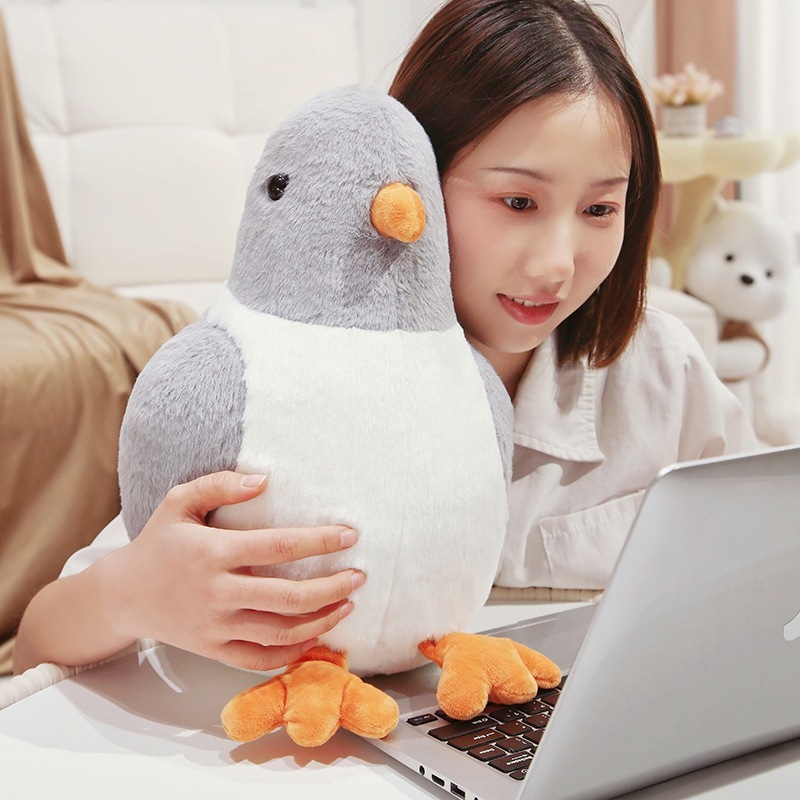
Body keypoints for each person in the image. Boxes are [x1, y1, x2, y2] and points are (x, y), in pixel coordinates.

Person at [12, 0, 756, 675]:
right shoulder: (272, 377)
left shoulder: (659, 370)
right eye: (518, 200)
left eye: (600, 210)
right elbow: (42, 642)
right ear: (412, 179)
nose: (558, 263)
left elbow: (767, 565)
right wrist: (133, 595)